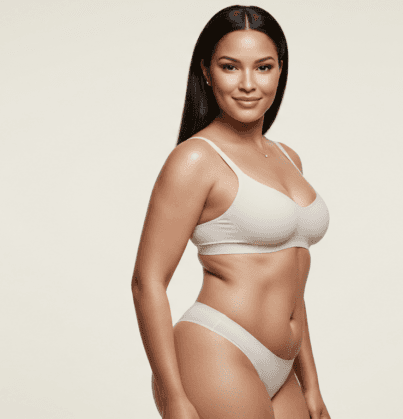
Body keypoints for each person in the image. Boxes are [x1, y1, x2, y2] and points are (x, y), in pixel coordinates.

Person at [131, 5, 331, 419]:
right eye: (229, 67)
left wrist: (312, 386)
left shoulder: (288, 158)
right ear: (206, 71)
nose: (247, 84)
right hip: (218, 350)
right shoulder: (195, 159)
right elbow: (147, 281)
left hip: (285, 366)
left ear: (280, 70)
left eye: (262, 67)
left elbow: (293, 282)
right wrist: (173, 398)